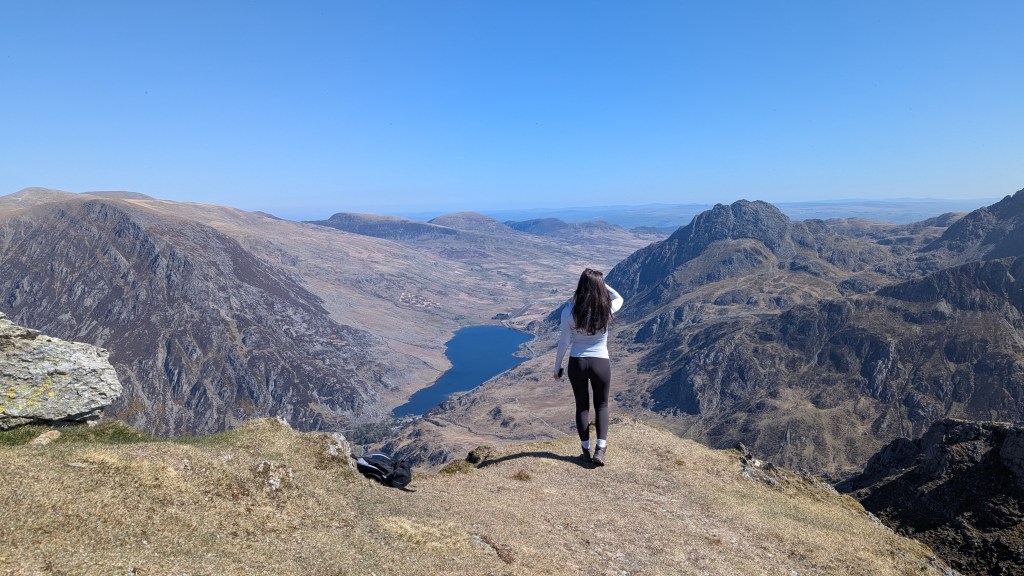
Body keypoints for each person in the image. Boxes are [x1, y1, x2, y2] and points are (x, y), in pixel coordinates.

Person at [553, 268, 624, 466]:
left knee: (582, 407)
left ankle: (586, 451)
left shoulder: (569, 312)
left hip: (577, 363)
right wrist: (601, 284)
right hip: (601, 362)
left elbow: (563, 342)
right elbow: (619, 297)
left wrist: (557, 367)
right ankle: (600, 449)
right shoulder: (606, 309)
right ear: (599, 287)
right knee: (601, 405)